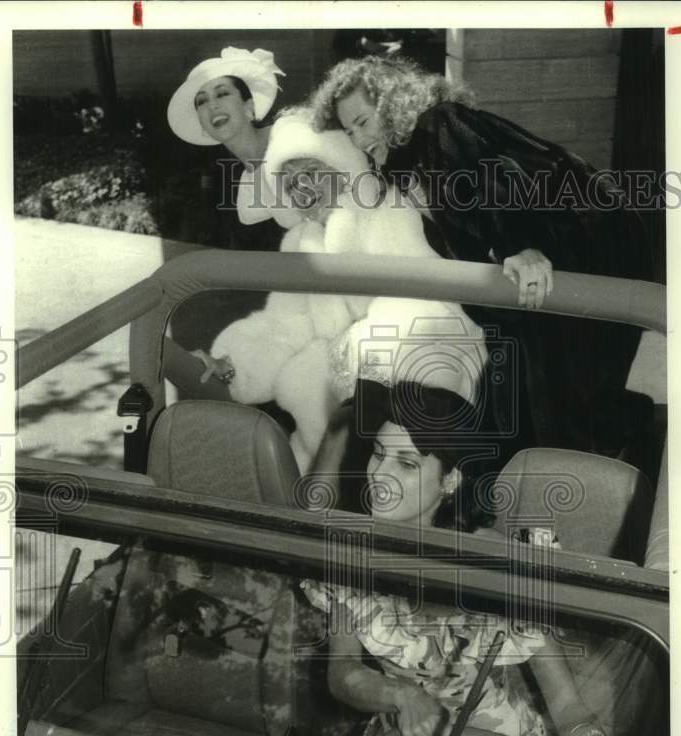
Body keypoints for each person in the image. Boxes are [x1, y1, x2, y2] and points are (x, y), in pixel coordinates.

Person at [309, 56, 654, 458]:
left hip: (593, 239)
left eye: (363, 122)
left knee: (566, 397)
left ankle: (622, 458)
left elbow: (496, 175)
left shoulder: (439, 123)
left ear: (391, 105)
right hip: (563, 253)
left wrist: (519, 246)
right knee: (540, 394)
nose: (357, 138)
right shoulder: (409, 166)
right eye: (349, 130)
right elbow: (462, 245)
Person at [302, 376, 610, 736]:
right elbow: (343, 672)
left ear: (450, 481)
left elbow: (566, 703)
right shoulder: (351, 554)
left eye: (406, 464)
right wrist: (402, 696)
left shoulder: (500, 571)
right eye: (378, 453)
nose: (379, 476)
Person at [206, 112, 487, 472]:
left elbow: (426, 303)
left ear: (340, 170)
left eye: (311, 173)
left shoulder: (387, 210)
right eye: (290, 183)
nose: (301, 189)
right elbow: (284, 325)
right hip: (353, 392)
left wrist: (347, 356)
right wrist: (232, 363)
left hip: (428, 367)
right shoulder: (300, 242)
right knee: (302, 396)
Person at [168, 46, 301, 246]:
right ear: (203, 127)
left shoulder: (290, 140)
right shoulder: (247, 182)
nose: (212, 106)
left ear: (249, 108)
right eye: (202, 101)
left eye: (222, 94)